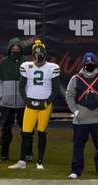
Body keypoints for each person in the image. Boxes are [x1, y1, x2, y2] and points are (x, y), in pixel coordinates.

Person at [9, 40, 61, 170]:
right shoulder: (27, 66)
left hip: (45, 104)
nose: (39, 56)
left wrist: (47, 102)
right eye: (36, 54)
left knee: (41, 132)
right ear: (32, 54)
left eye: (41, 54)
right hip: (30, 103)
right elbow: (21, 86)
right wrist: (26, 100)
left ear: (45, 54)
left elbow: (55, 89)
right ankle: (22, 161)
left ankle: (40, 161)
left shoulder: (52, 67)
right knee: (26, 133)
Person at [65, 52, 98, 179]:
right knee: (78, 146)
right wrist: (74, 110)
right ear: (83, 64)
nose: (89, 65)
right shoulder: (75, 79)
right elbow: (69, 95)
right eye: (87, 63)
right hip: (80, 119)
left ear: (95, 64)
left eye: (91, 63)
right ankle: (76, 171)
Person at [0, 38, 24, 162]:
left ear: (21, 49)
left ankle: (27, 154)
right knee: (5, 130)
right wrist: (1, 95)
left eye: (17, 48)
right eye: (13, 48)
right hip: (6, 103)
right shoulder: (3, 62)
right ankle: (4, 154)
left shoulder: (27, 63)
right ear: (9, 49)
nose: (15, 50)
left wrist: (27, 97)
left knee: (26, 130)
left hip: (23, 103)